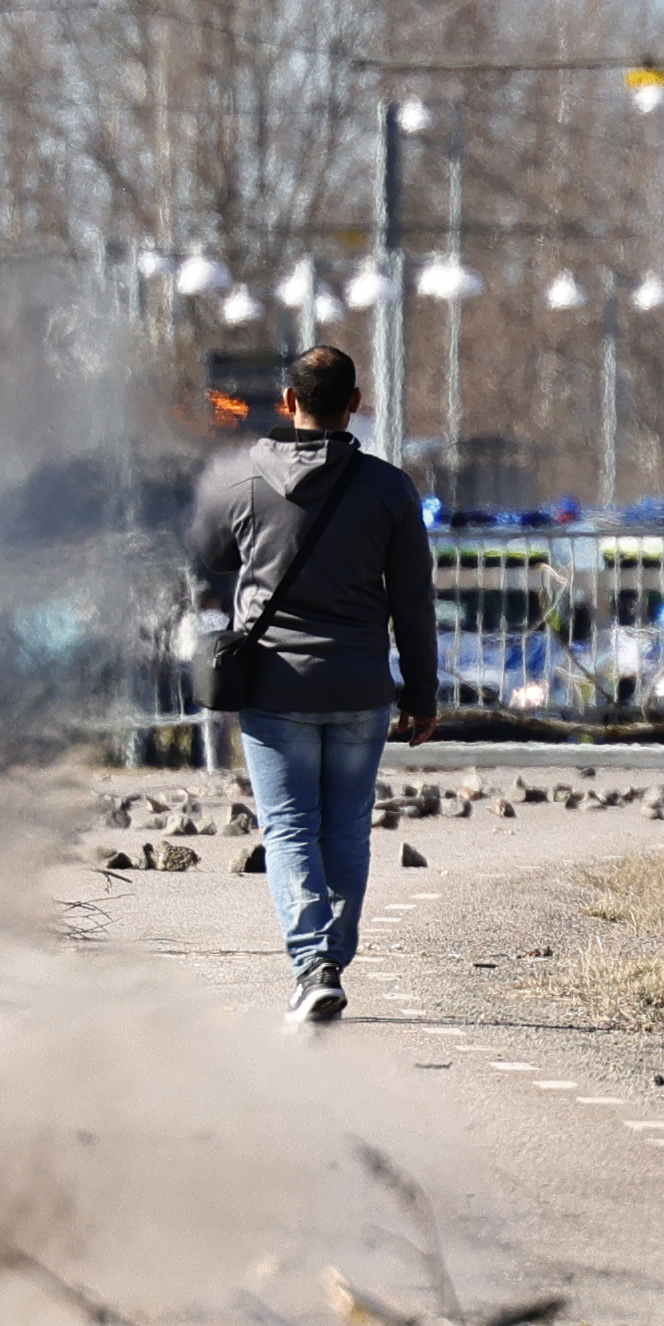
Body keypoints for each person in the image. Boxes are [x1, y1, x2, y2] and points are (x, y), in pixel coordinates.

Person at [186, 341, 439, 1028]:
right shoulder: (389, 488)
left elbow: (208, 551)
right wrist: (422, 693)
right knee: (347, 828)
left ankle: (312, 964)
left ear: (287, 403)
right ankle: (333, 956)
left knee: (290, 827)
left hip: (273, 688)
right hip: (360, 685)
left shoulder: (240, 480)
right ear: (355, 406)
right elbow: (413, 600)